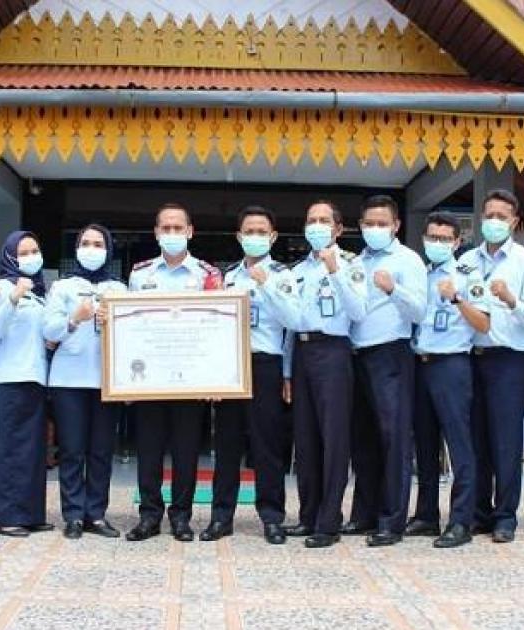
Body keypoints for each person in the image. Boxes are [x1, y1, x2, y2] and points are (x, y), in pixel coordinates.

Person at [125, 203, 223, 543]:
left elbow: (216, 328)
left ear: (190, 231)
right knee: (148, 450)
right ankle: (149, 515)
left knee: (186, 450)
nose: (171, 233)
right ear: (156, 233)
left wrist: (214, 377)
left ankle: (181, 516)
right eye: (165, 228)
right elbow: (129, 326)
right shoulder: (140, 275)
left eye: (177, 228)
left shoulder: (208, 275)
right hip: (150, 380)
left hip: (190, 379)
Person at [205, 206, 300, 544]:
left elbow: (294, 321)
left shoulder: (284, 275)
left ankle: (272, 518)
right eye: (249, 231)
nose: (255, 237)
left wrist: (267, 285)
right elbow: (212, 326)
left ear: (272, 237)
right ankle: (221, 517)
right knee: (226, 444)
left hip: (266, 364)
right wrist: (213, 374)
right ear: (239, 236)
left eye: (262, 232)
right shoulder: (226, 277)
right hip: (230, 366)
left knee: (267, 444)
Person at [456, 189, 524, 543]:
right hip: (471, 357)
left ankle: (505, 515)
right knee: (475, 438)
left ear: (514, 222)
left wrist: (510, 299)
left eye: (501, 217)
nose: (493, 221)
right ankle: (478, 513)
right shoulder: (466, 260)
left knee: (506, 440)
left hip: (509, 360)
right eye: (489, 215)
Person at [282, 200, 367, 548]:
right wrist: (287, 371)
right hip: (302, 353)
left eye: (323, 220)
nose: (316, 226)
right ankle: (308, 516)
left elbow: (358, 311)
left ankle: (329, 521)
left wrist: (335, 272)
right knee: (305, 439)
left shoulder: (352, 264)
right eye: (311, 220)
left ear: (338, 229)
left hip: (333, 352)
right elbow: (291, 325)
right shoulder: (297, 270)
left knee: (334, 439)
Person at [344, 195, 427, 547]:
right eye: (369, 224)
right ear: (360, 227)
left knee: (394, 438)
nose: (375, 229)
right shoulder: (355, 261)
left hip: (391, 353)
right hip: (356, 353)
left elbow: (419, 311)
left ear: (396, 226)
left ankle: (391, 520)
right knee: (362, 438)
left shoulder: (408, 260)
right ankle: (363, 514)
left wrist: (393, 289)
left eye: (382, 223)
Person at [409, 212, 490, 549]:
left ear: (457, 242)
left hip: (452, 364)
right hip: (420, 363)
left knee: (459, 445)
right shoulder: (419, 274)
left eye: (444, 239)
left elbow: (483, 323)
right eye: (432, 237)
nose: (437, 243)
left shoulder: (468, 275)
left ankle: (461, 521)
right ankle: (426, 515)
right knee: (424, 444)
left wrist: (457, 298)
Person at [45, 224, 126, 540]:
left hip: (107, 381)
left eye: (98, 244)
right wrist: (74, 319)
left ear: (108, 250)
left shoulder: (118, 289)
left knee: (101, 451)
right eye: (86, 243)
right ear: (76, 248)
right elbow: (48, 331)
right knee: (72, 449)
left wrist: (113, 321)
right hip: (68, 380)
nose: (92, 250)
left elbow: (133, 332)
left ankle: (96, 514)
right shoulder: (63, 287)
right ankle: (73, 515)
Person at [0, 230, 55, 537]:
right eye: (23, 253)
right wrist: (13, 298)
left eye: (35, 251)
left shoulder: (40, 292)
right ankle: (3, 516)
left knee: (32, 450)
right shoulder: (2, 287)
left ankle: (29, 513)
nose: (30, 257)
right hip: (10, 378)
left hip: (36, 377)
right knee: (9, 449)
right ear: (10, 256)